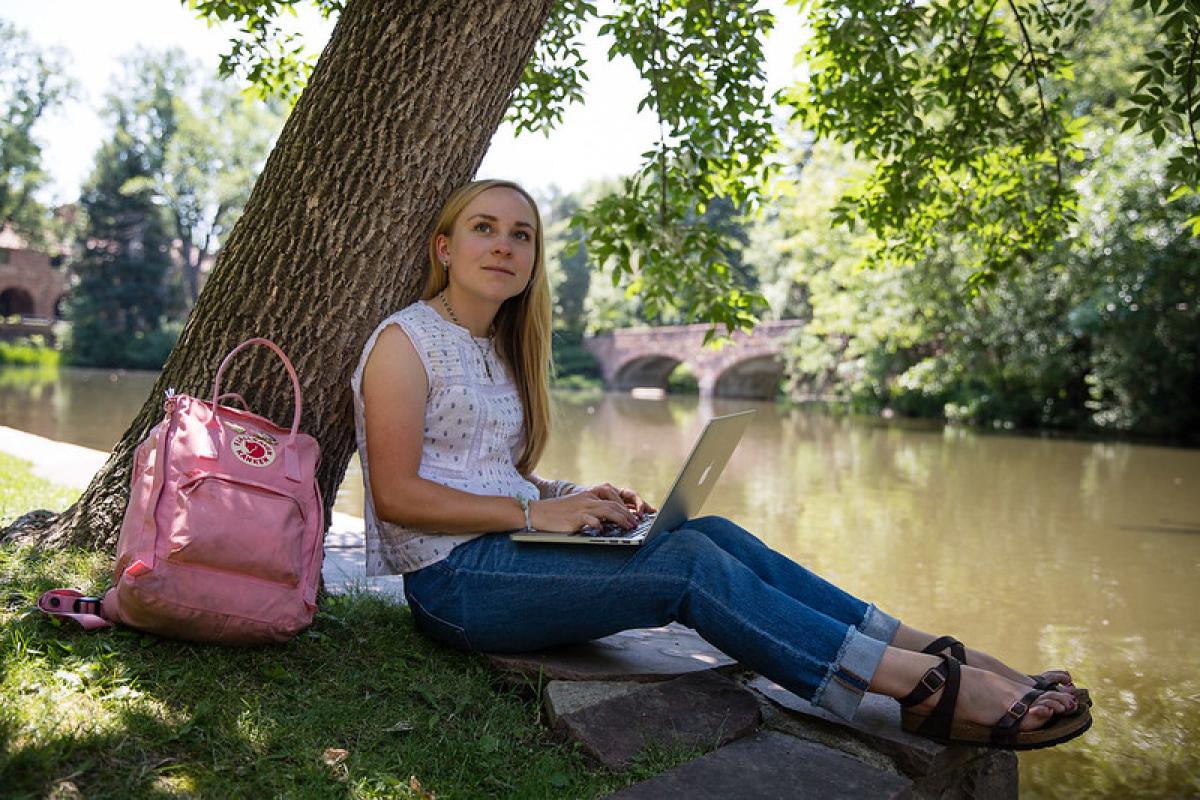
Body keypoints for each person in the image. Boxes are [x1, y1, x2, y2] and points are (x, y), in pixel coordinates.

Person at [351, 179, 1092, 749]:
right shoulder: (404, 342)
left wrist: (575, 496)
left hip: (511, 551)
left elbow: (484, 468)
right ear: (444, 247)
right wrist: (532, 513)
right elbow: (396, 498)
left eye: (522, 234)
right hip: (458, 585)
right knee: (690, 568)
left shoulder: (499, 347)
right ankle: (912, 687)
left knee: (720, 536)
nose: (505, 245)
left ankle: (922, 644)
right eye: (484, 229)